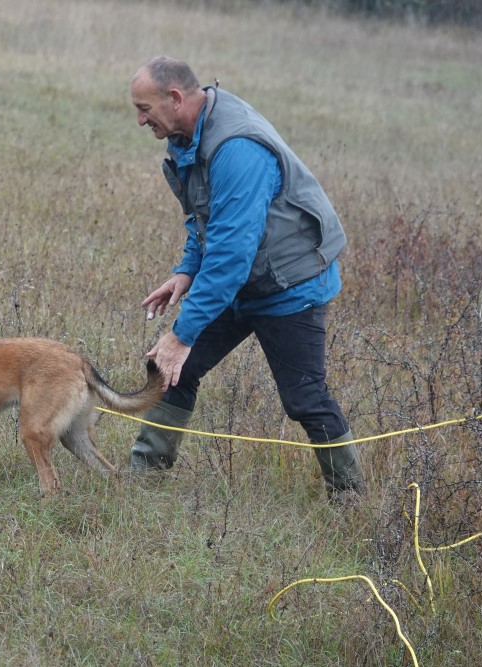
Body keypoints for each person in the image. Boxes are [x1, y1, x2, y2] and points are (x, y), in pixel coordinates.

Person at [128, 56, 364, 497]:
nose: (141, 120)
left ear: (175, 98)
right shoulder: (186, 135)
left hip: (290, 283)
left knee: (304, 398)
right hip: (241, 281)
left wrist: (182, 334)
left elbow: (231, 257)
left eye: (144, 109)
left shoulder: (237, 147)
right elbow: (205, 217)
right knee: (170, 368)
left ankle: (350, 498)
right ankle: (142, 481)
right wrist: (187, 270)